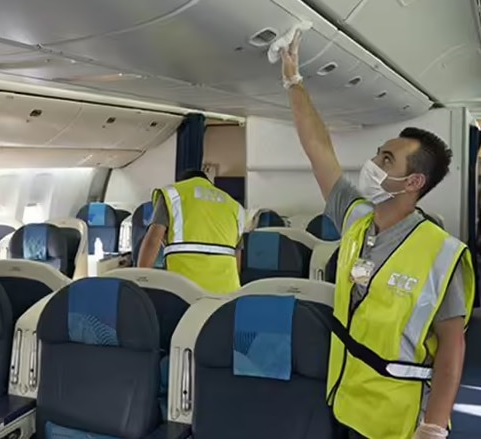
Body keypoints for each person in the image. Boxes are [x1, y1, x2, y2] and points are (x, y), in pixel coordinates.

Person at [280, 32, 475, 439]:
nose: (372, 164)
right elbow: (318, 149)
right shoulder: (356, 218)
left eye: (386, 159)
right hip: (344, 396)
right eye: (377, 154)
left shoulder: (442, 254)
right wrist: (294, 82)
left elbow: (452, 349)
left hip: (397, 418)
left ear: (413, 181)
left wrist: (434, 427)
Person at [137, 169, 245, 293]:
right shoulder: (233, 206)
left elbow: (153, 239)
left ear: (182, 182)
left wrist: (141, 281)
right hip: (227, 290)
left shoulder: (174, 194)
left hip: (184, 289)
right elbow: (237, 256)